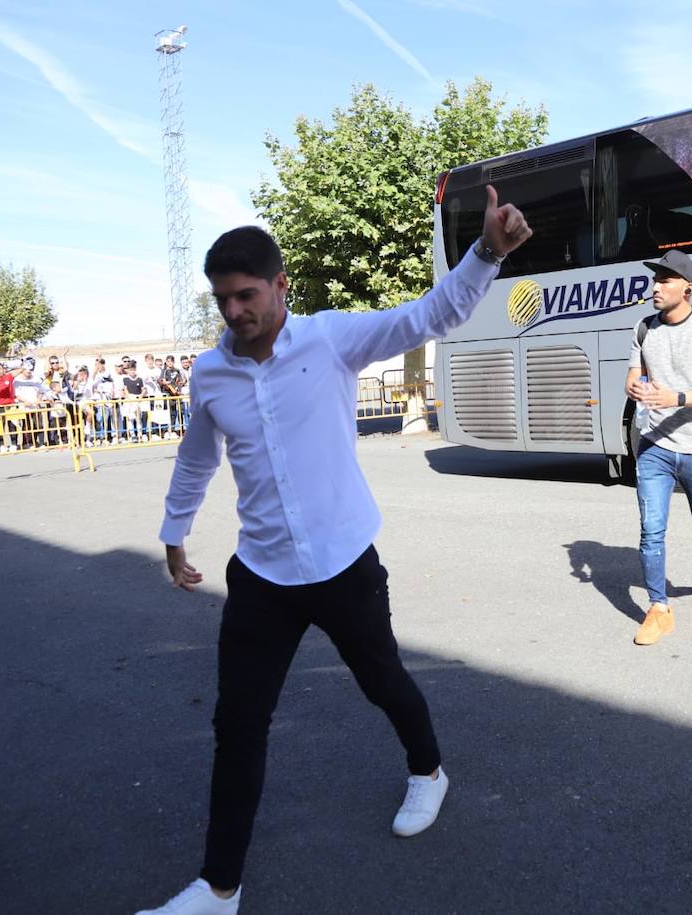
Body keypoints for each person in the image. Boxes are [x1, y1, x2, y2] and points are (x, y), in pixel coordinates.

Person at [138, 191, 531, 915]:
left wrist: (486, 253)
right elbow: (196, 459)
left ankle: (428, 770)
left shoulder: (330, 339)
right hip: (260, 575)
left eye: (246, 295)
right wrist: (173, 532)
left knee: (383, 681)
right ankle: (219, 887)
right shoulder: (210, 375)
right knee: (238, 725)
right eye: (222, 299)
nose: (233, 312)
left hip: (345, 562)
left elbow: (429, 316)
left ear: (281, 285)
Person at [625, 249, 692, 648]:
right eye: (655, 279)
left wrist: (677, 398)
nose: (656, 286)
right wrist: (636, 388)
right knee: (651, 531)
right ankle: (658, 608)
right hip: (655, 446)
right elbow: (632, 379)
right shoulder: (642, 329)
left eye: (665, 280)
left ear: (687, 288)